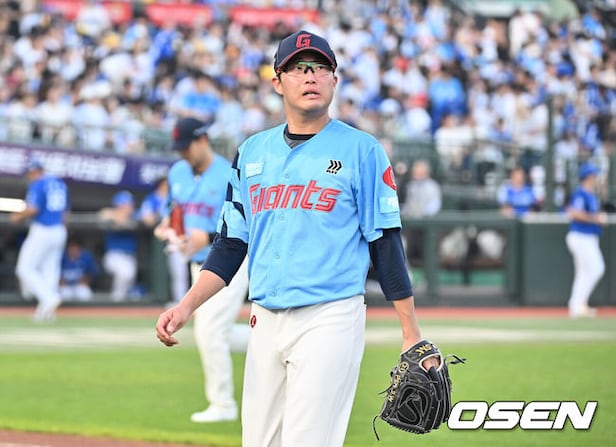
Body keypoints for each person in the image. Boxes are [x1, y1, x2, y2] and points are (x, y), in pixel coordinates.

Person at [156, 30, 438, 447]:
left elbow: (385, 243)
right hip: (264, 317)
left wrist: (410, 331)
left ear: (334, 80)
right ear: (277, 82)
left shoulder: (362, 150)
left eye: (320, 68)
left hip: (330, 316)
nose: (310, 76)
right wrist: (186, 306)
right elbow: (231, 244)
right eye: (299, 68)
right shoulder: (252, 152)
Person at [153, 117, 249, 423]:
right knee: (215, 332)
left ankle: (223, 404)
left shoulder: (228, 173)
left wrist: (205, 237)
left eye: (187, 146)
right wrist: (168, 228)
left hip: (231, 262)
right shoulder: (178, 172)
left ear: (203, 140)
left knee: (209, 330)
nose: (183, 153)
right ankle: (276, 340)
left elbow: (243, 223)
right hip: (198, 264)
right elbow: (173, 212)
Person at [10, 159, 69, 322]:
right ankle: (46, 312)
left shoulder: (39, 183)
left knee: (24, 269)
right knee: (50, 270)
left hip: (43, 229)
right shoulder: (59, 184)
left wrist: (17, 216)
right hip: (59, 229)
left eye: (30, 173)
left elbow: (33, 209)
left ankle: (49, 298)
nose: (29, 176)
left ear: (34, 172)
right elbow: (65, 213)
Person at [138, 176, 189, 306]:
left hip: (182, 236)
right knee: (169, 271)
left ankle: (183, 301)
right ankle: (174, 300)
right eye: (164, 184)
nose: (167, 187)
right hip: (165, 238)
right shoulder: (153, 198)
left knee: (182, 271)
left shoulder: (179, 197)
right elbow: (146, 217)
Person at [565, 162, 607, 318]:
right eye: (594, 175)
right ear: (588, 177)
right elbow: (574, 212)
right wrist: (595, 219)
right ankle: (577, 304)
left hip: (589, 236)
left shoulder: (591, 194)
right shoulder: (581, 193)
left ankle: (576, 306)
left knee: (583, 273)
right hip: (581, 236)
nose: (596, 178)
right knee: (597, 268)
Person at [97, 190, 138, 301]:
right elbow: (102, 214)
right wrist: (116, 215)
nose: (128, 207)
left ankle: (121, 303)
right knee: (126, 273)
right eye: (125, 205)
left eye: (129, 204)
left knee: (130, 283)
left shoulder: (134, 215)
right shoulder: (110, 215)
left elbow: (146, 217)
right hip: (113, 256)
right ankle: (116, 301)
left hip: (130, 257)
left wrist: (124, 218)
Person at [59, 235, 98, 301]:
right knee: (63, 293)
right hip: (65, 286)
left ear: (80, 248)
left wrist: (85, 281)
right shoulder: (61, 257)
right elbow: (54, 274)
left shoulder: (86, 257)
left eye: (76, 247)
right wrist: (60, 281)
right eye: (71, 247)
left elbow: (91, 274)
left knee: (85, 293)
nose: (73, 249)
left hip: (79, 286)